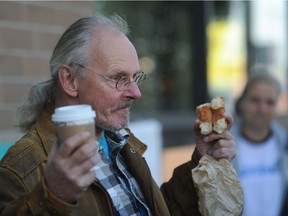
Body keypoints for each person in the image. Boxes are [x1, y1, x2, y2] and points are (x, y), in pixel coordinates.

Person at [0, 15, 237, 215]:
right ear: (70, 80)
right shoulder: (20, 171)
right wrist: (53, 195)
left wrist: (201, 160)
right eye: (118, 78)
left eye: (135, 78)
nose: (136, 93)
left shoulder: (118, 138)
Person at [231, 65, 288, 216]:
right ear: (241, 102)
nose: (262, 108)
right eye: (255, 100)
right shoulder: (223, 148)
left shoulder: (285, 146)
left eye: (270, 102)